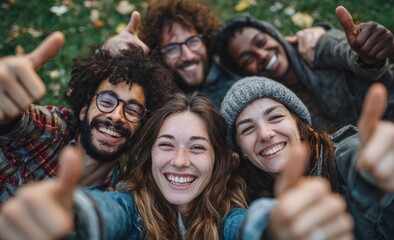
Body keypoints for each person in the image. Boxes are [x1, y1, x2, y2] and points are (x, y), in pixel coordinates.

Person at [0, 92, 353, 240]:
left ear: (219, 162)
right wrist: (72, 216)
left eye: (197, 148)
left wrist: (276, 228)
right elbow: (106, 213)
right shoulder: (130, 206)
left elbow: (250, 226)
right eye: (166, 145)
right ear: (148, 155)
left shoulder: (229, 214)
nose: (180, 161)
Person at [0, 32, 175, 203]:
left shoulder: (118, 199)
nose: (116, 116)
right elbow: (18, 120)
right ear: (84, 110)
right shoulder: (53, 130)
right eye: (106, 101)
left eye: (133, 110)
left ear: (141, 129)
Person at [221, 76, 394, 239]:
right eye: (247, 129)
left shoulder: (341, 154)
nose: (265, 134)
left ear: (299, 124)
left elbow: (356, 156)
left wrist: (375, 171)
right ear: (241, 149)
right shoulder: (247, 199)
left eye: (275, 117)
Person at [103, 0, 326, 109]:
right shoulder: (155, 95)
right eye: (172, 48)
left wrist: (320, 32)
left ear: (206, 40)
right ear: (159, 55)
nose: (187, 55)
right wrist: (105, 53)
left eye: (192, 41)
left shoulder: (240, 72)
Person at [216, 6, 394, 131]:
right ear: (245, 73)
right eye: (247, 59)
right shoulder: (270, 107)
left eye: (261, 42)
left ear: (275, 36)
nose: (261, 55)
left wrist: (368, 57)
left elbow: (347, 52)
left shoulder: (314, 45)